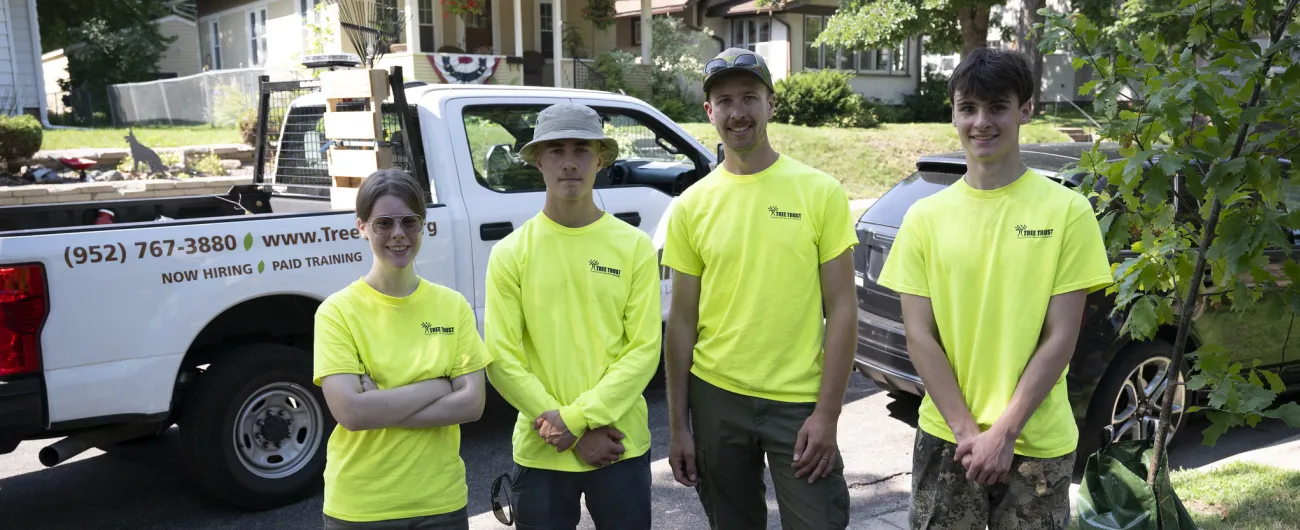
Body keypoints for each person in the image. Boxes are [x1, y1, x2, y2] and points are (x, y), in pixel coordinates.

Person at [875, 48, 1113, 530]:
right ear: (954, 114)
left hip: (1036, 445)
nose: (981, 122)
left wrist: (1004, 432)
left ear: (1025, 110)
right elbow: (920, 336)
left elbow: (1061, 336)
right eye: (968, 108)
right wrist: (969, 432)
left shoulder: (1068, 212)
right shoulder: (924, 218)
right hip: (948, 438)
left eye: (997, 107)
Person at [661, 48, 858, 530]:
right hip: (717, 397)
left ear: (771, 103)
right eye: (725, 101)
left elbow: (842, 308)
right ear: (709, 112)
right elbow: (681, 322)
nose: (738, 112)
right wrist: (678, 426)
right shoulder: (691, 206)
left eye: (749, 97)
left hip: (798, 400)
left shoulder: (819, 192)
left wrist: (828, 414)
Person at [483, 103, 662, 529]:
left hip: (617, 444)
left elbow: (643, 350)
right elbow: (501, 358)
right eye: (556, 150)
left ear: (600, 159)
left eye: (581, 149)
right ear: (537, 160)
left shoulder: (633, 246)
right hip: (542, 450)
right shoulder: (511, 253)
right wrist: (572, 430)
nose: (569, 162)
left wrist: (575, 421)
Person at [313, 169, 492, 530]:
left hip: (440, 503)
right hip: (361, 508)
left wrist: (379, 405)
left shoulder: (452, 306)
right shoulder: (337, 312)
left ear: (424, 225)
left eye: (409, 221)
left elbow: (472, 405)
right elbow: (351, 413)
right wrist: (439, 386)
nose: (398, 233)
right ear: (362, 227)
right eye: (384, 223)